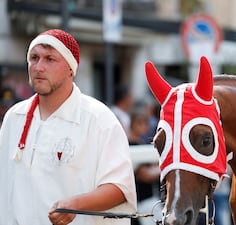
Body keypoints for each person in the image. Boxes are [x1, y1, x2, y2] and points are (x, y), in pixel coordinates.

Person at [0, 29, 137, 225]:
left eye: (50, 59)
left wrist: (76, 204)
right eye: (34, 58)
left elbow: (120, 188)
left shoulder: (99, 119)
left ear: (71, 68)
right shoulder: (14, 117)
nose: (38, 67)